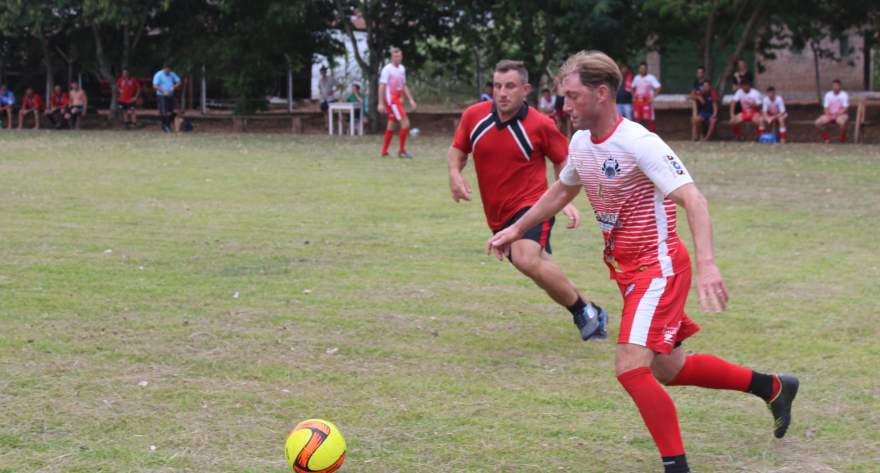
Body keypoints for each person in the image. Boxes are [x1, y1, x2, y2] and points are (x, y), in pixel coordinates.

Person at [488, 50, 799, 473]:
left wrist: (708, 264)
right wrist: (514, 229)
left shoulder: (638, 142)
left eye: (573, 96)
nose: (565, 106)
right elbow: (561, 192)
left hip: (660, 267)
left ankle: (677, 468)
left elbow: (694, 199)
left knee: (631, 369)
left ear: (601, 94)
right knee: (669, 368)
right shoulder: (581, 144)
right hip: (627, 272)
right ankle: (774, 387)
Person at [449, 59, 608, 341]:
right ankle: (590, 310)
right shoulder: (475, 117)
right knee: (539, 267)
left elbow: (564, 162)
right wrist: (455, 175)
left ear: (525, 89)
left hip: (533, 206)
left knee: (526, 259)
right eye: (497, 86)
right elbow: (458, 150)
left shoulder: (540, 125)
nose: (502, 93)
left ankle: (583, 311)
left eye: (510, 86)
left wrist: (566, 200)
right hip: (498, 215)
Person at [377, 47, 417, 159]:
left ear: (402, 56)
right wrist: (380, 103)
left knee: (391, 125)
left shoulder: (402, 69)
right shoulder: (387, 69)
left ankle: (384, 152)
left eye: (399, 56)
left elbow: (403, 85)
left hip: (398, 99)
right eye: (395, 56)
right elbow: (382, 86)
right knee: (405, 123)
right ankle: (402, 151)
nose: (397, 58)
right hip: (392, 100)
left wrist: (410, 99)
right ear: (391, 57)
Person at [815, 79, 849, 143]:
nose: (835, 87)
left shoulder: (844, 95)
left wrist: (838, 114)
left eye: (837, 86)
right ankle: (826, 139)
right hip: (830, 115)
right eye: (834, 86)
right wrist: (828, 114)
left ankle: (841, 139)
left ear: (840, 86)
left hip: (841, 114)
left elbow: (846, 108)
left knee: (841, 122)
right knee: (817, 123)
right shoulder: (828, 95)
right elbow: (825, 107)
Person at [631, 62, 661, 132]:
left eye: (644, 69)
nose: (643, 70)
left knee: (650, 118)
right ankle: (637, 134)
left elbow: (658, 87)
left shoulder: (651, 78)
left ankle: (652, 134)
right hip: (638, 101)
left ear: (647, 69)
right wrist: (633, 97)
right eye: (641, 69)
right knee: (637, 118)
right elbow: (632, 87)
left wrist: (653, 97)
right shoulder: (636, 78)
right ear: (639, 69)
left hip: (647, 101)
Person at [153, 64, 181, 133]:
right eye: (167, 70)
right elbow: (155, 85)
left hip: (170, 95)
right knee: (164, 112)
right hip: (161, 95)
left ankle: (166, 125)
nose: (168, 71)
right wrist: (163, 91)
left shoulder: (172, 74)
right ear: (164, 69)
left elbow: (179, 81)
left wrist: (174, 87)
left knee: (172, 111)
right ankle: (165, 127)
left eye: (170, 70)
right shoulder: (158, 74)